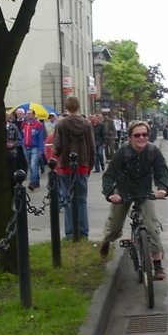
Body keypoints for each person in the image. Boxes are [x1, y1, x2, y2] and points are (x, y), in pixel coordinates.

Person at [99, 121, 168, 280]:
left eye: (144, 134)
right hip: (123, 192)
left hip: (145, 192)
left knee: (151, 226)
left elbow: (162, 172)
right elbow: (109, 175)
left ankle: (158, 265)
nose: (141, 138)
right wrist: (110, 194)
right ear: (130, 137)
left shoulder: (153, 151)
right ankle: (107, 240)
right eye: (137, 135)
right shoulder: (122, 152)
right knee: (115, 225)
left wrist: (163, 188)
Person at [53, 96, 95, 239]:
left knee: (68, 199)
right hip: (82, 164)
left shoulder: (61, 124)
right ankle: (83, 232)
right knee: (82, 200)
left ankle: (70, 232)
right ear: (79, 107)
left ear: (66, 108)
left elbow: (57, 147)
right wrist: (90, 165)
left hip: (66, 165)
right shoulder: (87, 124)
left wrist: (58, 155)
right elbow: (92, 147)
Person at [22, 109, 45, 190]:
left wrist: (41, 150)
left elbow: (41, 138)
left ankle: (32, 182)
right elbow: (22, 134)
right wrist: (22, 142)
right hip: (26, 147)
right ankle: (36, 181)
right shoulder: (24, 124)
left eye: (29, 114)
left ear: (34, 115)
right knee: (31, 166)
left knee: (33, 165)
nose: (27, 115)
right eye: (27, 114)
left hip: (35, 147)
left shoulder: (38, 124)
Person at [6, 111, 22, 188]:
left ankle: (13, 190)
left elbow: (18, 140)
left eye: (5, 116)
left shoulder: (13, 127)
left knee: (12, 175)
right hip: (1, 156)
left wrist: (12, 145)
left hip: (11, 154)